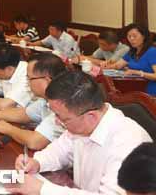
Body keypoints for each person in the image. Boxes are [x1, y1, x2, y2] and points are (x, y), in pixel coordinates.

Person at [12, 70, 152, 195]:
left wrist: (42, 190)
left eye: (62, 118)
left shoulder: (128, 143)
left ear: (91, 116)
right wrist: (37, 162)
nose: (57, 122)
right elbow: (61, 150)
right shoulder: (82, 124)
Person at [0, 53, 67, 150]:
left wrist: (8, 129)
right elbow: (24, 114)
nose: (27, 82)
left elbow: (34, 142)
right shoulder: (44, 100)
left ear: (47, 80)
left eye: (29, 78)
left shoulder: (63, 104)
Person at [107, 24, 156, 95]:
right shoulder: (132, 52)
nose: (131, 39)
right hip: (135, 88)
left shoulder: (152, 51)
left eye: (134, 36)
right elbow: (117, 66)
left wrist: (137, 72)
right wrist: (106, 65)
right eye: (129, 36)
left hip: (150, 92)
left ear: (144, 36)